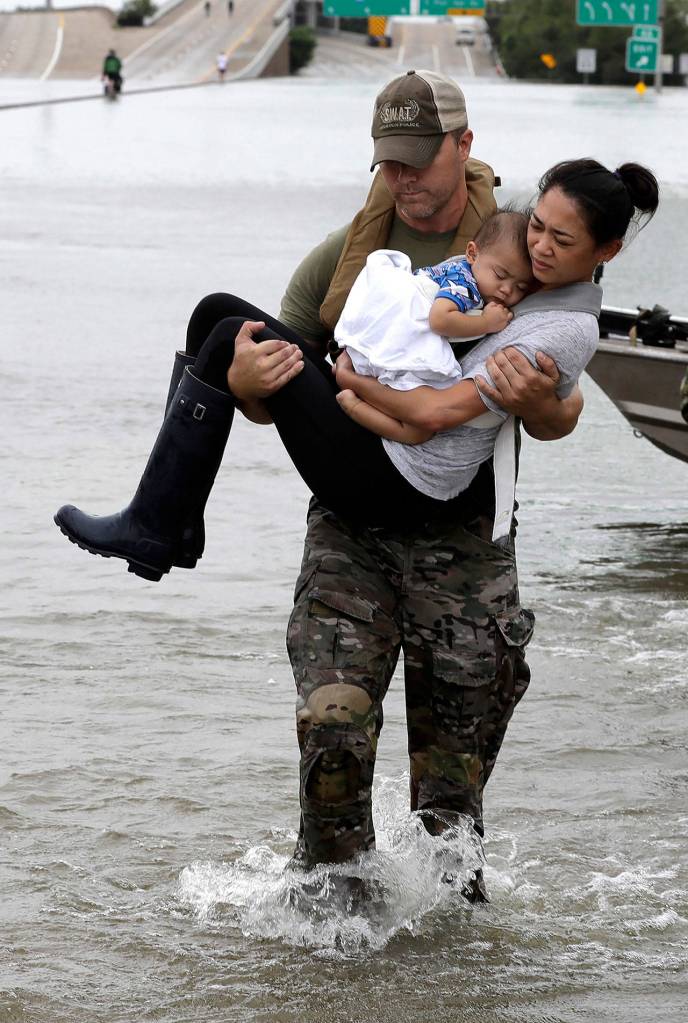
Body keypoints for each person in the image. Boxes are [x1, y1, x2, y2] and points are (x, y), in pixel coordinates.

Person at [54, 71, 659, 901]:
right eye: (388, 164)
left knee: (452, 805)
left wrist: (537, 400)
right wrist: (244, 380)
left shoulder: (525, 244)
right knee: (333, 736)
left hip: (463, 538)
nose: (403, 181)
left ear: (465, 147)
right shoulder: (344, 257)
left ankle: (459, 968)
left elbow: (559, 404)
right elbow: (291, 405)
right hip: (353, 520)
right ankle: (329, 947)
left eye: (419, 162)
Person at [333, 208, 534, 444]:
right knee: (418, 432)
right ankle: (354, 405)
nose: (507, 290)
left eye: (521, 287)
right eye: (500, 275)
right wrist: (486, 323)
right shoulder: (464, 283)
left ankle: (358, 398)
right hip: (402, 330)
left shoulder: (463, 273)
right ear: (472, 253)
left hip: (386, 328)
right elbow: (440, 320)